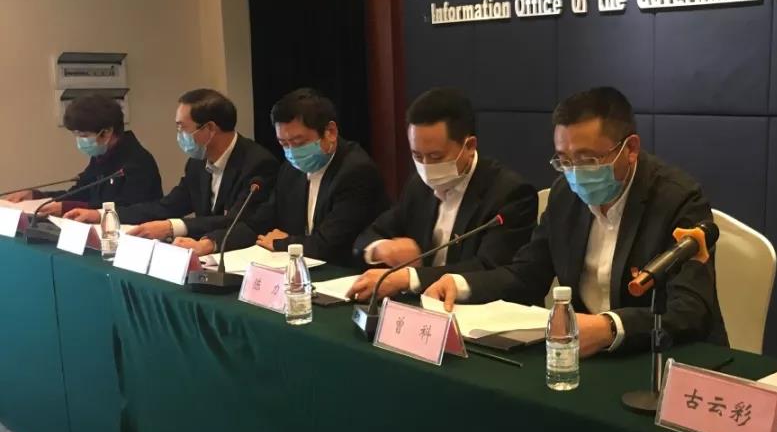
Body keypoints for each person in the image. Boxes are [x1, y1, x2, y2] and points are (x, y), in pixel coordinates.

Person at [424, 86, 725, 357]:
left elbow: (689, 311)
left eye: (587, 159)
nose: (575, 173)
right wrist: (462, 284)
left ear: (630, 149)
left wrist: (610, 327)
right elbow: (528, 274)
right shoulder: (565, 195)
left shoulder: (678, 198)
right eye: (564, 160)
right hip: (586, 356)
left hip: (662, 357)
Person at [346, 88, 536, 302]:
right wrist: (380, 249)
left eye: (436, 157)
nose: (426, 167)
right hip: (421, 309)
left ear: (469, 146)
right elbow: (367, 236)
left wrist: (409, 278)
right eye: (417, 156)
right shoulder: (418, 186)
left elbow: (488, 269)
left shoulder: (509, 193)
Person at [175, 88, 388, 266]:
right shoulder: (291, 170)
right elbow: (259, 222)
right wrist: (209, 243)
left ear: (330, 132)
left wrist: (281, 243)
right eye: (283, 144)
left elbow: (329, 244)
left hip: (346, 274)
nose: (292, 152)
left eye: (299, 142)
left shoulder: (356, 171)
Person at [64, 89, 278, 239]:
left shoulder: (257, 163)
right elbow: (167, 206)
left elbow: (237, 221)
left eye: (182, 128)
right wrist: (101, 215)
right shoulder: (196, 164)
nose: (179, 135)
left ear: (210, 129)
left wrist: (172, 227)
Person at [4, 94, 161, 214]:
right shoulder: (102, 157)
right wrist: (37, 196)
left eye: (84, 135)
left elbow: (127, 209)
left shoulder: (137, 162)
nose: (80, 141)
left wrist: (68, 207)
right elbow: (80, 193)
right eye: (76, 135)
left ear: (106, 132)